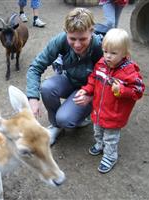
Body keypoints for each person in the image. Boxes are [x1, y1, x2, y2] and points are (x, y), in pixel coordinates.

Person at [26, 8, 103, 145]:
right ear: (65, 32)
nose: (77, 45)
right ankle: (56, 126)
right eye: (72, 38)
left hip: (91, 88)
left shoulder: (100, 47)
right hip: (70, 79)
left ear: (92, 31)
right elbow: (35, 67)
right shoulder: (60, 40)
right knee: (47, 88)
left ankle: (84, 114)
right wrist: (32, 97)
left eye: (83, 39)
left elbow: (111, 81)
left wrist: (91, 96)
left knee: (65, 119)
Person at [74, 28, 145, 173]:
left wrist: (123, 91)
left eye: (113, 53)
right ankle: (100, 145)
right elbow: (93, 78)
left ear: (124, 53)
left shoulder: (129, 72)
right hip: (98, 110)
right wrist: (87, 89)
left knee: (111, 138)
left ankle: (110, 156)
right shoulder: (101, 64)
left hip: (115, 114)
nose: (108, 56)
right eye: (105, 51)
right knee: (97, 131)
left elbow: (138, 90)